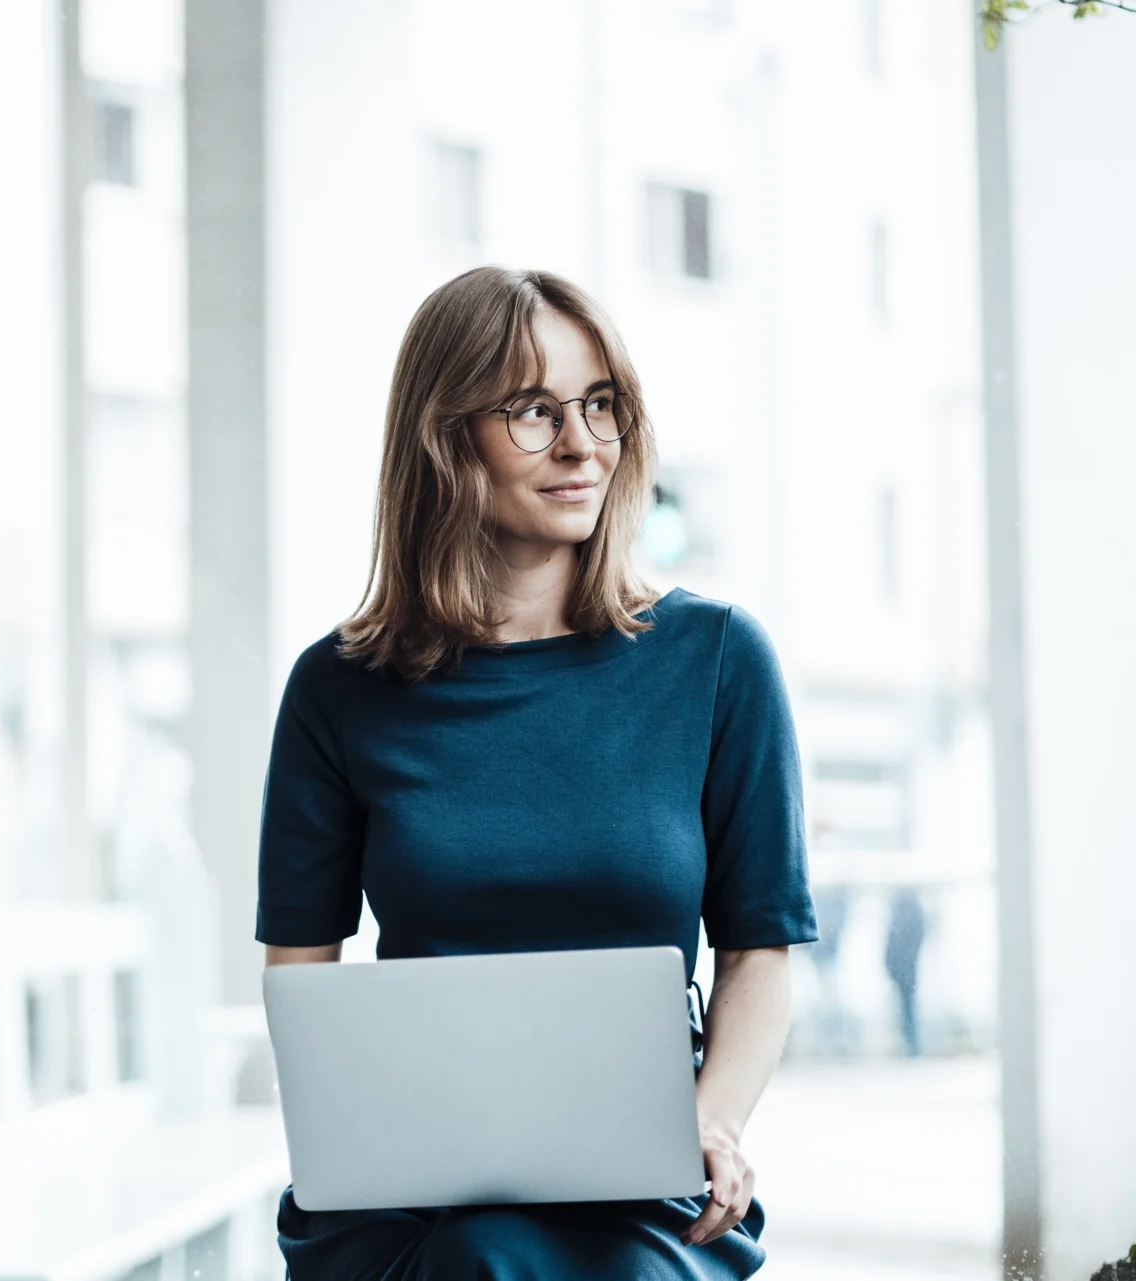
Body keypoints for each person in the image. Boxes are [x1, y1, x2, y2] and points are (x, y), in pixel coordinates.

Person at [257, 266, 819, 1279]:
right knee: (478, 1256)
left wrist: (714, 1125)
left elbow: (759, 957)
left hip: (648, 1184)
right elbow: (302, 977)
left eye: (601, 404)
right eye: (532, 409)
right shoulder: (338, 688)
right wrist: (350, 1144)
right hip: (409, 1189)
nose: (581, 443)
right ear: (444, 435)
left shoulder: (719, 661)